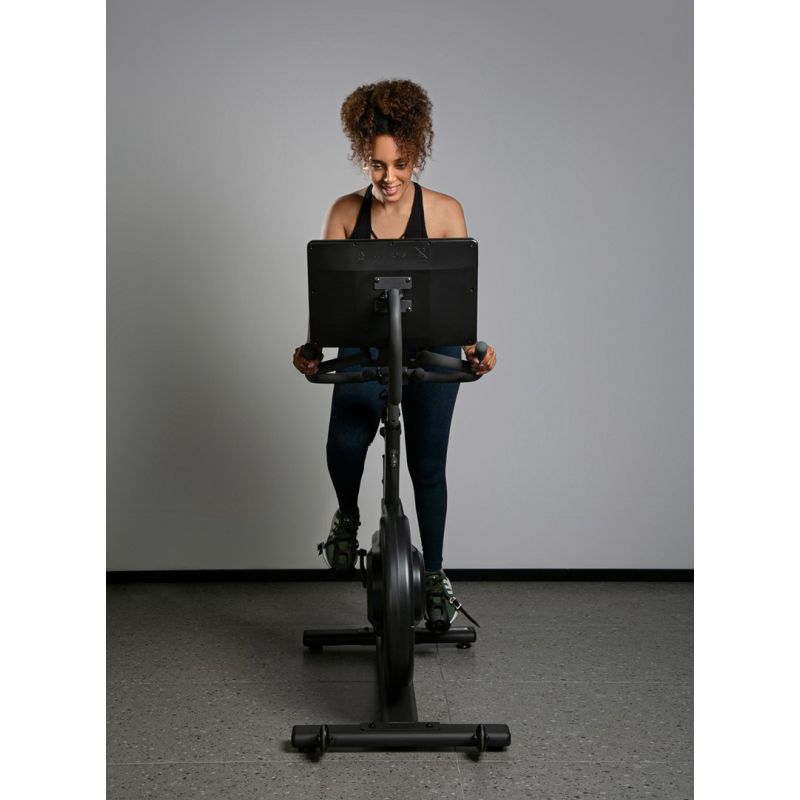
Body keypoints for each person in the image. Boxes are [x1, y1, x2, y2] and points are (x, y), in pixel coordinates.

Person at [293, 79, 496, 631]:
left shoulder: (446, 213)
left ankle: (434, 575)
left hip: (431, 352)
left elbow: (459, 305)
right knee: (343, 444)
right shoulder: (343, 213)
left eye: (400, 164)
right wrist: (311, 350)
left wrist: (475, 350)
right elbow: (327, 303)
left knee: (427, 465)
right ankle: (348, 517)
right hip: (364, 348)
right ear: (364, 158)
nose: (389, 177)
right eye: (378, 165)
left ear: (416, 157)